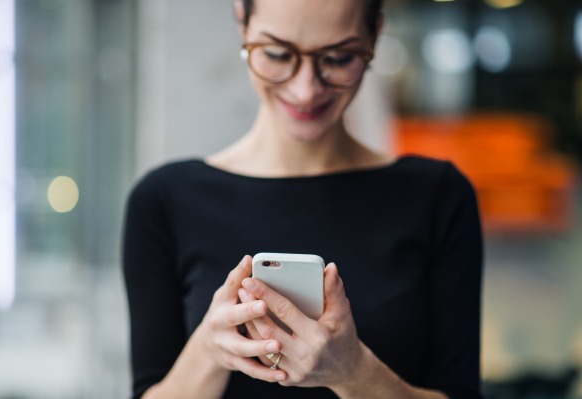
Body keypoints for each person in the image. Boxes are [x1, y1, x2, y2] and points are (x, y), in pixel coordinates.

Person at [122, 0, 483, 398]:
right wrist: (209, 349)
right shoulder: (164, 201)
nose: (305, 88)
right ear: (242, 23)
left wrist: (353, 371)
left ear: (375, 36)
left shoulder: (438, 197)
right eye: (278, 54)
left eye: (339, 58)